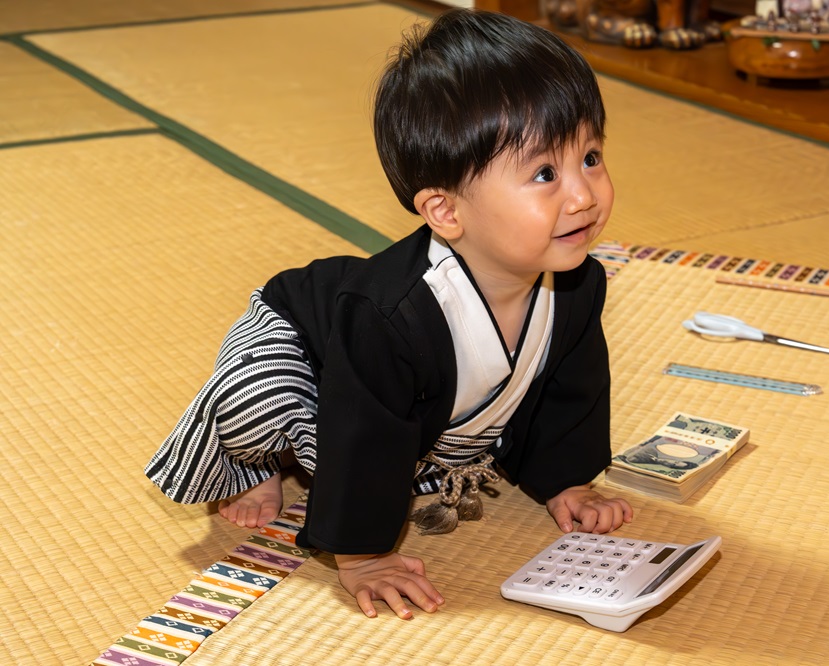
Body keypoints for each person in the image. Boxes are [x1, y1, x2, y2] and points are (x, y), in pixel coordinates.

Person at [145, 8, 633, 621]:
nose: (584, 194)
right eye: (544, 173)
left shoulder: (577, 283)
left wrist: (567, 480)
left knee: (432, 444)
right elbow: (364, 431)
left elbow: (570, 389)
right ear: (446, 211)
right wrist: (364, 555)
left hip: (394, 391)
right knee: (266, 401)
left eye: (590, 157)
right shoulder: (389, 315)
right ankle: (259, 462)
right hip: (301, 341)